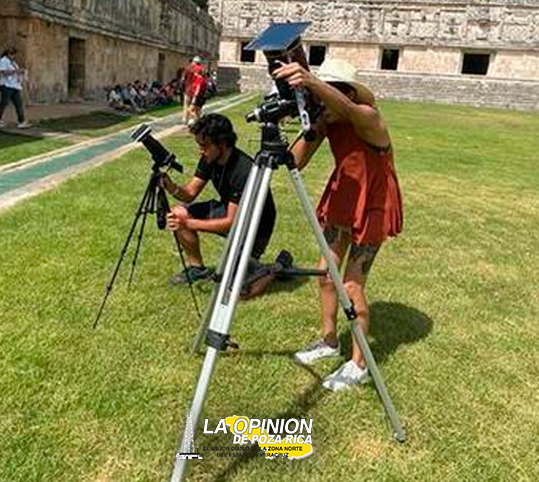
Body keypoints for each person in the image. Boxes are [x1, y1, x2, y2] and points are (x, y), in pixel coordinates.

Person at [273, 58, 403, 391]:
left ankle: (359, 364)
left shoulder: (367, 115)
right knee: (325, 274)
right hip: (343, 192)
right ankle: (329, 341)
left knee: (351, 285)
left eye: (325, 94)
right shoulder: (329, 120)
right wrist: (301, 119)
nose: (320, 102)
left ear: (342, 92)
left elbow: (348, 108)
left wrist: (314, 83)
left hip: (372, 200)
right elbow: (295, 160)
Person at [160, 113, 277, 285]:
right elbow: (190, 193)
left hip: (255, 228)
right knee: (179, 213)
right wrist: (170, 186)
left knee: (235, 285)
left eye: (204, 145)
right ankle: (197, 269)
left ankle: (276, 267)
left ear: (222, 144)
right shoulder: (209, 158)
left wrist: (187, 224)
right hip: (231, 214)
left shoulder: (243, 170)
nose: (201, 150)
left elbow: (231, 222)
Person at [0, 46, 31, 129]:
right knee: (4, 103)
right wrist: (16, 71)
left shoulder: (13, 62)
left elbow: (15, 71)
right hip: (7, 85)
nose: (13, 56)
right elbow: (3, 72)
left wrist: (21, 72)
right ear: (8, 54)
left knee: (18, 104)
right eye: (12, 54)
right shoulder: (3, 61)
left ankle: (22, 121)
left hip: (15, 86)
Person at [182, 56, 209, 126]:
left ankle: (185, 119)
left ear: (193, 61)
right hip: (198, 91)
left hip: (188, 89)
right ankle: (193, 120)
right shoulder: (202, 69)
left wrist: (183, 87)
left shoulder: (187, 68)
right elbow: (205, 81)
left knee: (187, 105)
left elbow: (183, 79)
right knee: (196, 107)